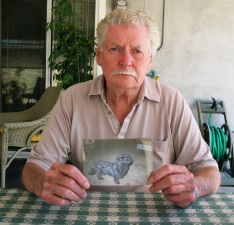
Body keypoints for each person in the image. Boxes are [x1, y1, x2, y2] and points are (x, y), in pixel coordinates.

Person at [22, 9, 221, 208]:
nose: (126, 61)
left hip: (154, 213)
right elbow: (34, 167)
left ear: (150, 59)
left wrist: (194, 187)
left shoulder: (171, 101)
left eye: (137, 51)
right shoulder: (72, 100)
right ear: (99, 56)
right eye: (115, 49)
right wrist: (42, 183)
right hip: (88, 213)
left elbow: (209, 171)